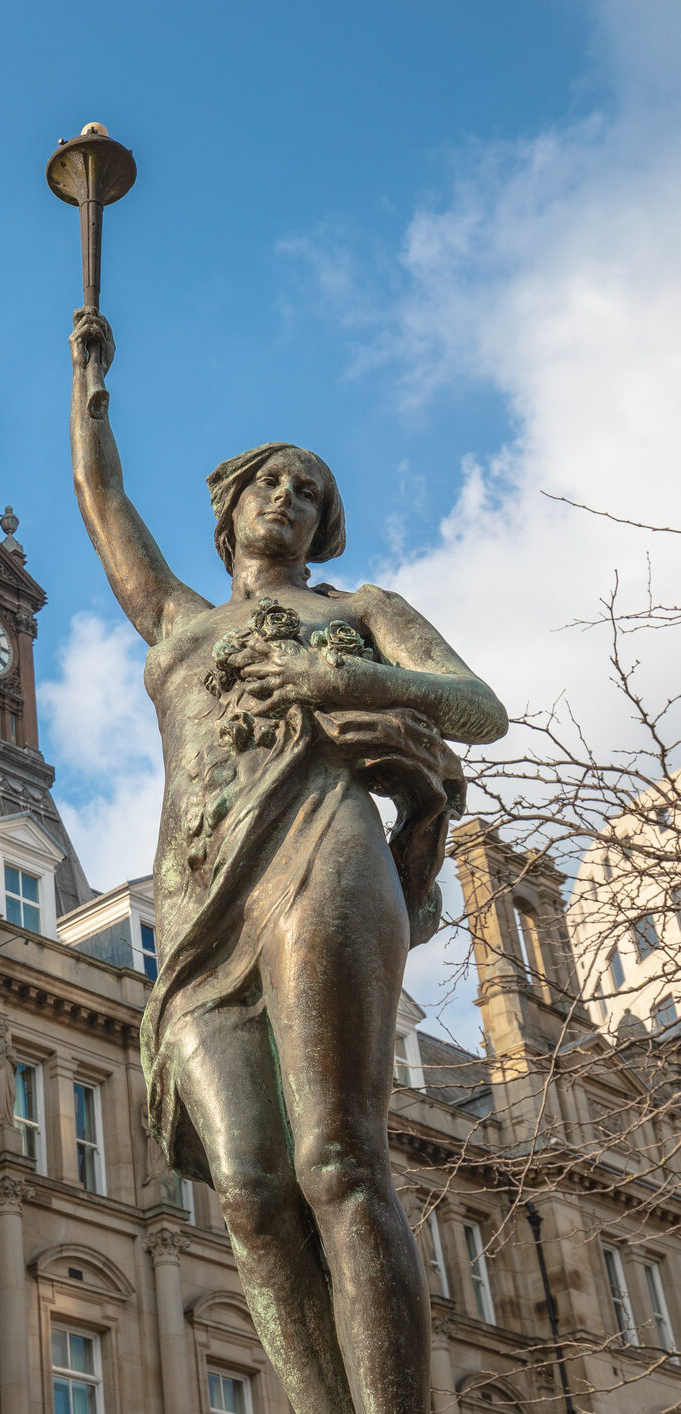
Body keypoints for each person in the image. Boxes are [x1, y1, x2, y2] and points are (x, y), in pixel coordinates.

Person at [67, 308, 506, 1413]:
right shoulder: (174, 622)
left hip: (323, 852)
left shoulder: (360, 613)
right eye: (271, 482)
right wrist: (89, 387)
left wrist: (345, 683)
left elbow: (478, 706)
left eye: (309, 491)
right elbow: (101, 502)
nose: (289, 499)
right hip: (201, 900)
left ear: (324, 524)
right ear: (229, 508)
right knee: (252, 1192)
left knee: (336, 1160)